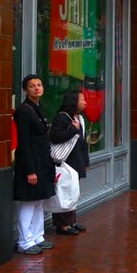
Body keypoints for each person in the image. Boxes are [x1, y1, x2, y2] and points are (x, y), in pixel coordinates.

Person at [13, 74, 57, 255]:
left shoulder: (38, 108)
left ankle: (38, 236)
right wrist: (30, 170)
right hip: (31, 164)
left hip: (43, 163)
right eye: (32, 86)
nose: (37, 88)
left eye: (39, 85)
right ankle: (25, 241)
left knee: (39, 202)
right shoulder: (24, 110)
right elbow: (24, 142)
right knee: (29, 203)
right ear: (25, 90)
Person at [49, 91, 90, 236]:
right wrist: (73, 129)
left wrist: (86, 160)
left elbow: (83, 141)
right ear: (74, 102)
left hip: (76, 161)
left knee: (73, 192)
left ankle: (72, 221)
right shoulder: (62, 118)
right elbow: (55, 137)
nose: (85, 102)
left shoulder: (79, 118)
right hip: (65, 162)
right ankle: (62, 224)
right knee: (63, 192)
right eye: (82, 99)